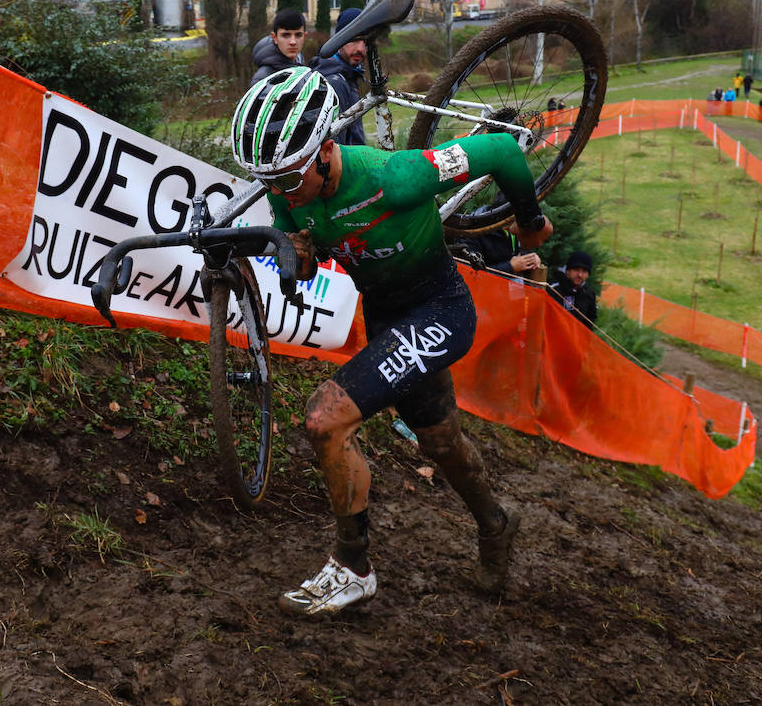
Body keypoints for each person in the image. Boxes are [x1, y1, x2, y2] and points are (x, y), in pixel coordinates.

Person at [231, 66, 552, 614]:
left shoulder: (395, 176)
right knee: (440, 441)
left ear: (325, 151)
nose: (279, 191)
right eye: (269, 180)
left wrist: (529, 219)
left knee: (325, 419)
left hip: (440, 309)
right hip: (387, 318)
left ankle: (352, 566)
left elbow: (501, 150)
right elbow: (307, 260)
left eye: (287, 178)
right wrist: (296, 258)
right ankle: (496, 523)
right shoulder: (289, 192)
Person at [311, 7, 367, 146]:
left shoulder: (349, 74)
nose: (360, 49)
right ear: (338, 41)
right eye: (353, 40)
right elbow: (335, 147)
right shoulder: (335, 82)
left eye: (365, 41)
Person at [460, 224, 544, 280]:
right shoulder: (472, 232)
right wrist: (509, 267)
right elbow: (469, 275)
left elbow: (508, 255)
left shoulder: (509, 229)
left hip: (505, 295)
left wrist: (529, 258)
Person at [250, 7, 306, 85]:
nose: (293, 42)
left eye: (298, 35)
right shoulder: (263, 79)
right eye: (285, 35)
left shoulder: (301, 66)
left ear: (305, 36)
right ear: (275, 38)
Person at [548, 250, 597, 330]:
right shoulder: (553, 289)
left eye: (584, 271)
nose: (580, 275)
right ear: (568, 271)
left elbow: (590, 321)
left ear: (588, 275)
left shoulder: (589, 294)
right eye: (576, 270)